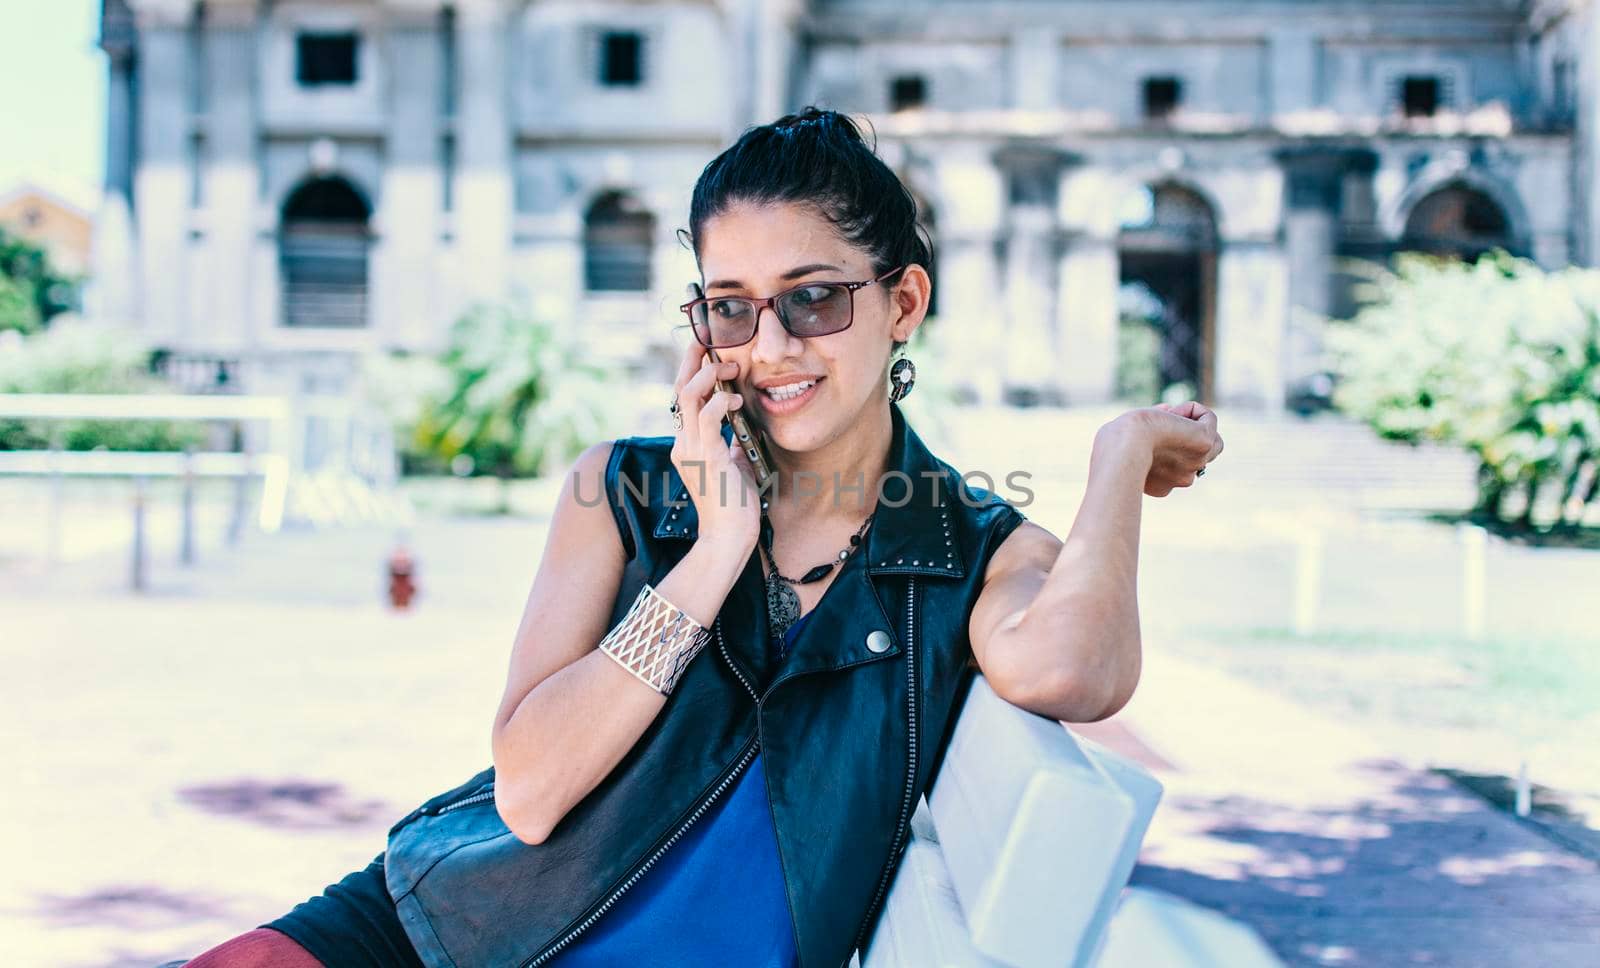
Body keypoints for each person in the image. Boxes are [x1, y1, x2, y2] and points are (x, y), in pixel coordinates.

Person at [178, 106, 1222, 968]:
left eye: (812, 299)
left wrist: (1120, 460)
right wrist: (714, 547)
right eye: (731, 307)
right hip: (437, 931)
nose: (769, 347)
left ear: (902, 301)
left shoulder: (966, 547)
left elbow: (1078, 674)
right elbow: (530, 793)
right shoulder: (623, 489)